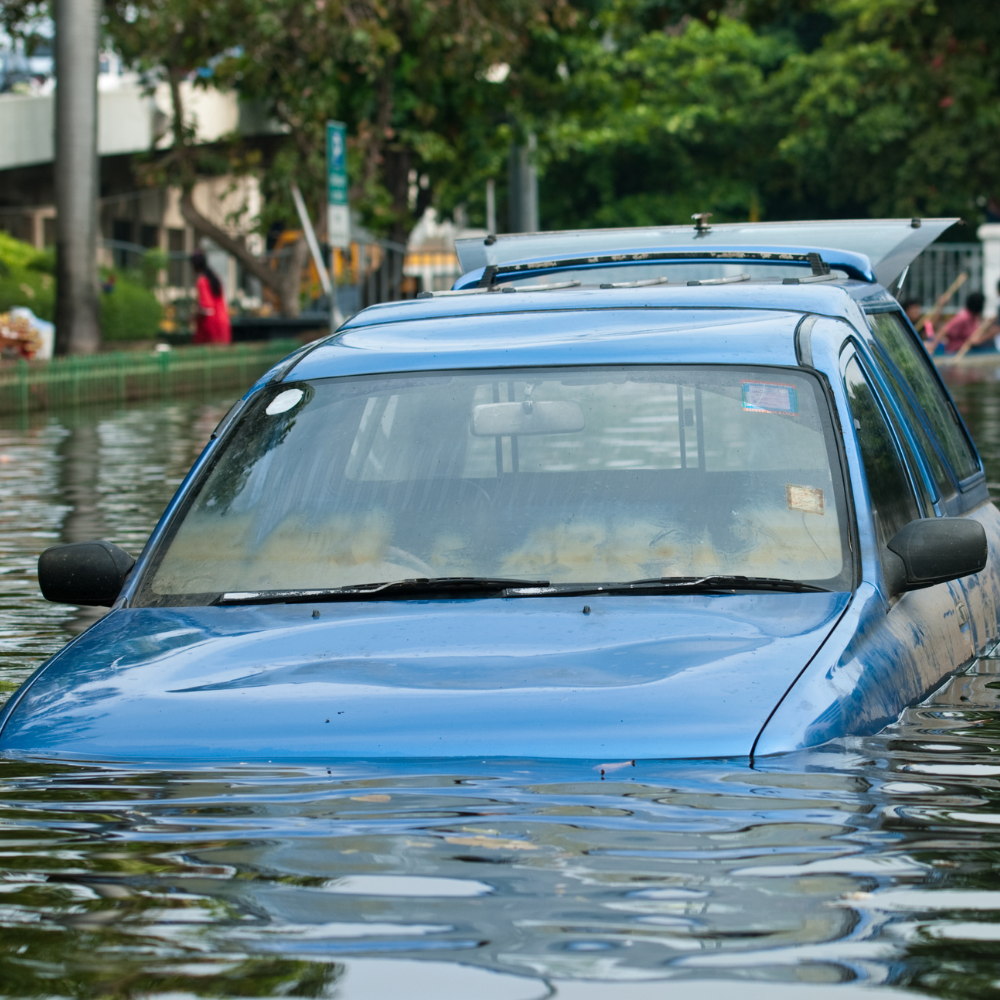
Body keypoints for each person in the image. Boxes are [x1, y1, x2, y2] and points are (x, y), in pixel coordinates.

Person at [191, 249, 232, 345]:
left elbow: (206, 307)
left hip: (211, 327)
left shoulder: (202, 281)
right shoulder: (215, 278)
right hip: (223, 322)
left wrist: (194, 317)